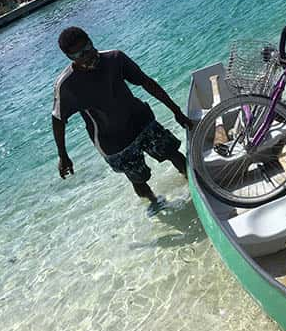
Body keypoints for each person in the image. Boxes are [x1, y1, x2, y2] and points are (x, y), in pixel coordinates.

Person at [51, 26, 193, 206]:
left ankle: (193, 184)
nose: (86, 56)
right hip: (113, 141)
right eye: (78, 55)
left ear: (91, 40)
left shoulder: (115, 59)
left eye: (87, 48)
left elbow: (146, 83)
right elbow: (58, 120)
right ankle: (154, 203)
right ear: (69, 58)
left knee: (172, 152)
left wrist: (176, 111)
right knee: (139, 179)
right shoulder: (66, 85)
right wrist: (63, 155)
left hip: (141, 121)